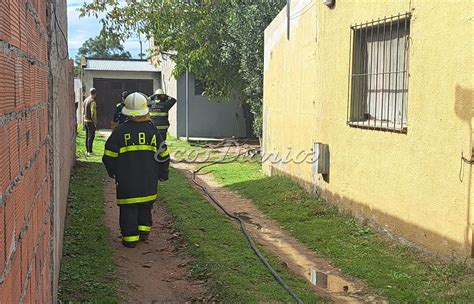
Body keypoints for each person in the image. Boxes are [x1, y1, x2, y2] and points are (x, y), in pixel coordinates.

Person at [102, 92, 170, 248]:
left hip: (127, 182)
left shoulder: (119, 131)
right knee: (145, 206)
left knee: (128, 210)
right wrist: (163, 173)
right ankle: (144, 233)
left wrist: (112, 171)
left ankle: (130, 240)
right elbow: (163, 155)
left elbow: (108, 156)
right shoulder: (152, 131)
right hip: (148, 180)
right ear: (145, 111)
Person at [83, 88, 97, 156]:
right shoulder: (92, 101)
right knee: (91, 136)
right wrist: (94, 122)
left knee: (87, 136)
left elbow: (83, 110)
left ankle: (87, 150)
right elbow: (93, 113)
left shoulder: (86, 100)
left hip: (85, 120)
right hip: (90, 121)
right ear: (95, 93)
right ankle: (90, 151)